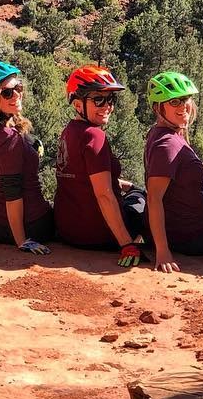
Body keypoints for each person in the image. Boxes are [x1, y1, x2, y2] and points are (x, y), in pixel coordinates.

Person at [54, 65, 145, 266]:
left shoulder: (69, 131)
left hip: (68, 231)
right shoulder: (94, 136)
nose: (107, 106)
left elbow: (82, 178)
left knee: (134, 191)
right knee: (142, 200)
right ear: (78, 104)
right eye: (98, 99)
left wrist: (127, 185)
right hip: (100, 235)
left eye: (110, 99)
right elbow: (104, 195)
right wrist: (126, 244)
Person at [143, 71, 203, 272]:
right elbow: (154, 198)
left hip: (181, 227)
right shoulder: (167, 145)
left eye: (186, 99)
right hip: (197, 237)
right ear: (157, 107)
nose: (183, 106)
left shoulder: (160, 132)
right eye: (174, 102)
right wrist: (163, 252)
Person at [0, 61, 52, 255]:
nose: (16, 95)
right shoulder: (9, 140)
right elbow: (13, 195)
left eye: (18, 87)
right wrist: (22, 241)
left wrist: (30, 146)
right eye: (6, 93)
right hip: (29, 225)